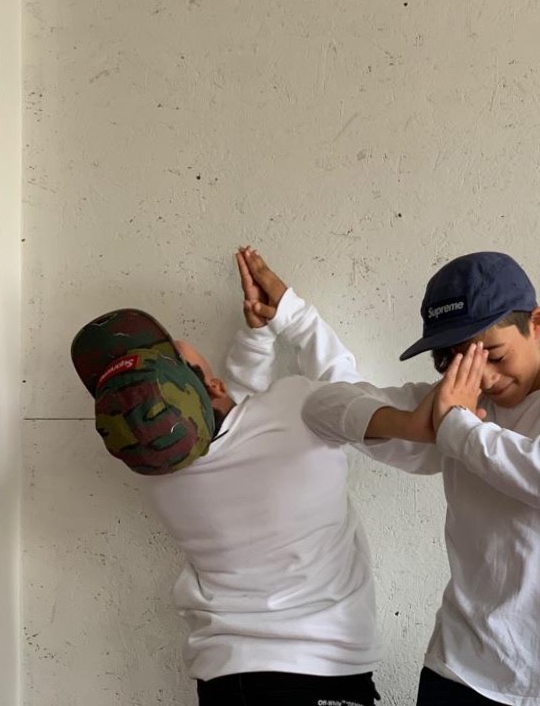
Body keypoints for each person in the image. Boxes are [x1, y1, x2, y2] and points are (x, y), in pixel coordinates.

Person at [301, 251, 540, 706]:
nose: (484, 377)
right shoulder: (456, 405)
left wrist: (461, 431)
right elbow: (321, 408)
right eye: (457, 362)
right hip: (462, 673)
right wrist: (415, 425)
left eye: (494, 354)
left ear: (537, 323)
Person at [70, 248, 380, 706]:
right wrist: (293, 316)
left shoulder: (157, 471)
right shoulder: (297, 411)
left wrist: (256, 337)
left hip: (224, 677)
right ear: (210, 384)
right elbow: (348, 400)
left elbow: (232, 423)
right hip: (318, 670)